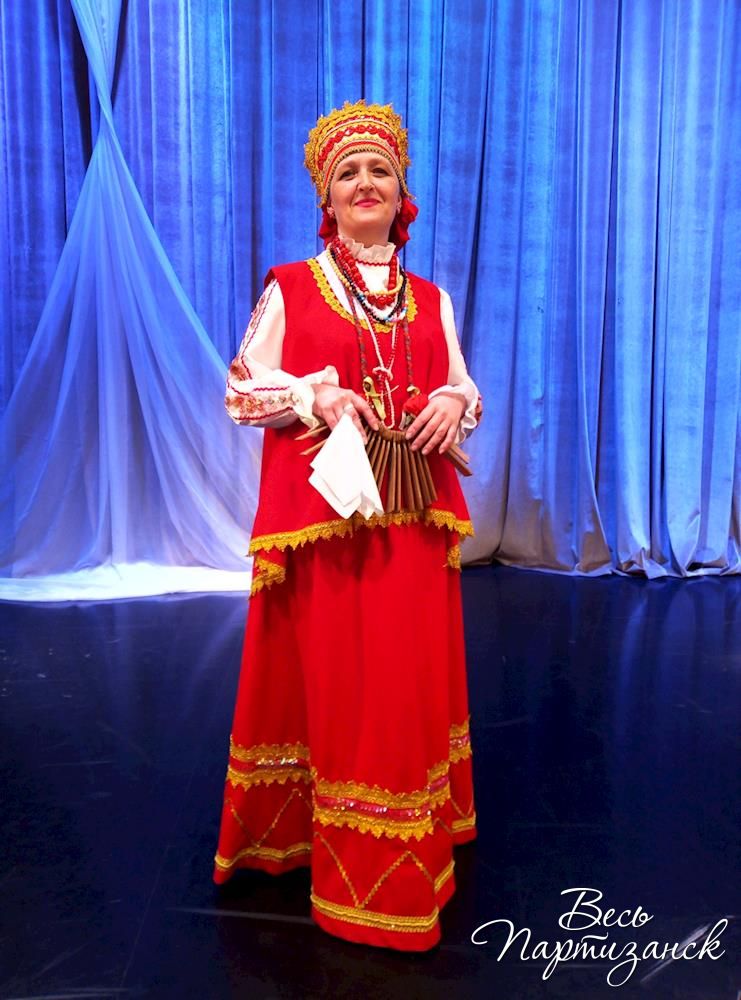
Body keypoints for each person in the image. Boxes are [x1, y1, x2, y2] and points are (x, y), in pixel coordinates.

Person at [213, 100, 482, 952]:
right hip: (327, 528)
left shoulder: (431, 299)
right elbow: (239, 391)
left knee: (402, 684)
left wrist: (453, 401)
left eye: (379, 171)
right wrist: (313, 394)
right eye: (347, 174)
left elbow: (463, 388)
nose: (365, 183)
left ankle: (408, 842)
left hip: (413, 527)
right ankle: (318, 846)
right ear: (326, 199)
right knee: (340, 685)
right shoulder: (291, 287)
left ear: (402, 194)